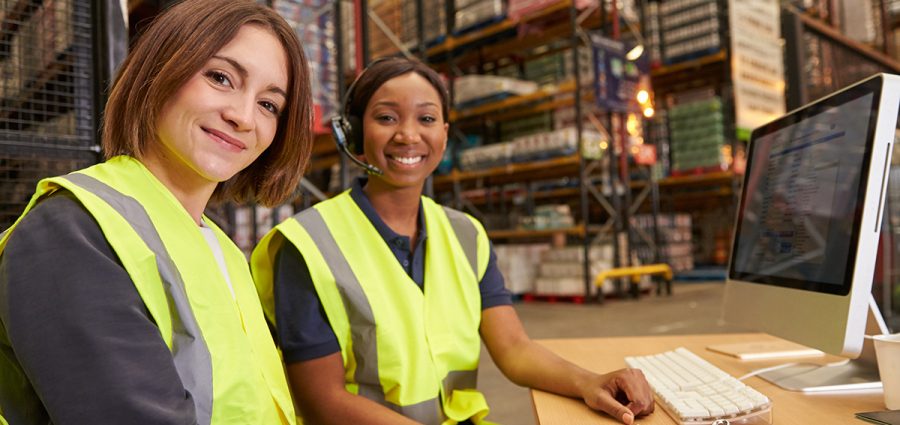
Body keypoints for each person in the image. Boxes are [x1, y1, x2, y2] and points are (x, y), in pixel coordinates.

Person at [251, 57, 654, 425]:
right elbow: (322, 402)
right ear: (355, 134)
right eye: (386, 118)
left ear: (444, 135)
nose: (408, 135)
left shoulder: (465, 235)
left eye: (426, 119)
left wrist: (588, 382)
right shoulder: (306, 244)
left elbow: (514, 350)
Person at [0, 0, 313, 423]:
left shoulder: (218, 247)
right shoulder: (70, 231)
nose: (242, 116)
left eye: (269, 105)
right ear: (160, 71)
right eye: (221, 78)